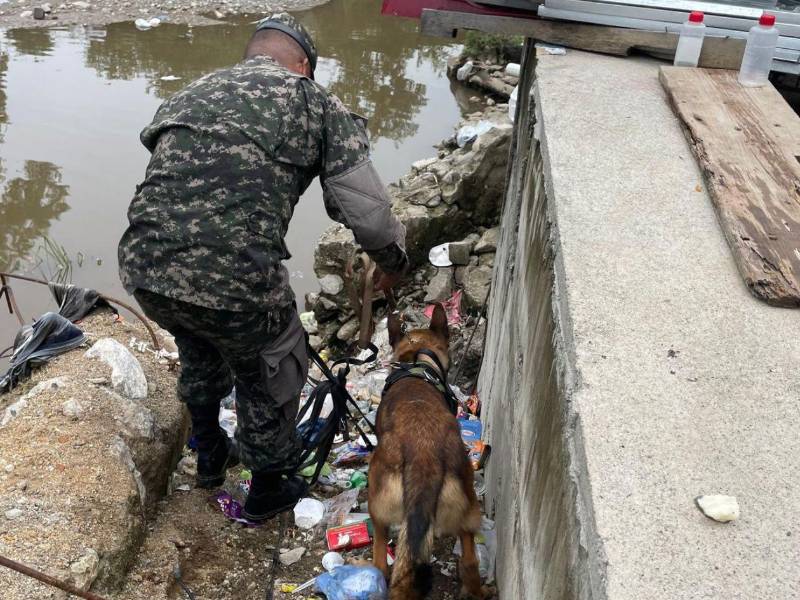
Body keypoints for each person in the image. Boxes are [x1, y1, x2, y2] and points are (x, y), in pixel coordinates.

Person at [117, 13, 407, 522]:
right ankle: (270, 485)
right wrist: (392, 262)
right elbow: (367, 211)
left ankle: (209, 456)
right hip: (234, 281)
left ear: (253, 53)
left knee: (198, 336)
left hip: (144, 266)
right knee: (273, 362)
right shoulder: (311, 100)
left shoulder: (190, 92)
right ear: (302, 65)